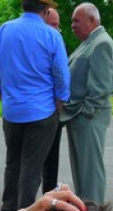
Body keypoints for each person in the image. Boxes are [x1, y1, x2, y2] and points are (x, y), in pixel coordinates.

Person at [0, 0, 70, 211]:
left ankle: (8, 209)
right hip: (41, 111)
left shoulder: (3, 31)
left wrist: (2, 95)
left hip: (12, 110)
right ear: (44, 10)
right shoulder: (51, 36)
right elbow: (61, 76)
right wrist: (59, 101)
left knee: (12, 163)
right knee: (32, 168)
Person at [60, 3, 113, 204]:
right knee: (82, 171)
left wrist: (85, 113)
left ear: (92, 20)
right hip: (79, 117)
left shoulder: (101, 43)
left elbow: (100, 87)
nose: (72, 25)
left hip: (88, 118)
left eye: (77, 20)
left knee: (90, 172)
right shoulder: (90, 41)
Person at [41, 5, 64, 193]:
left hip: (51, 109)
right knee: (29, 165)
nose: (57, 29)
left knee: (51, 160)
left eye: (58, 25)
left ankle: (48, 196)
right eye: (53, 24)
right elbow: (61, 78)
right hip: (44, 109)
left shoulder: (57, 39)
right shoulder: (44, 42)